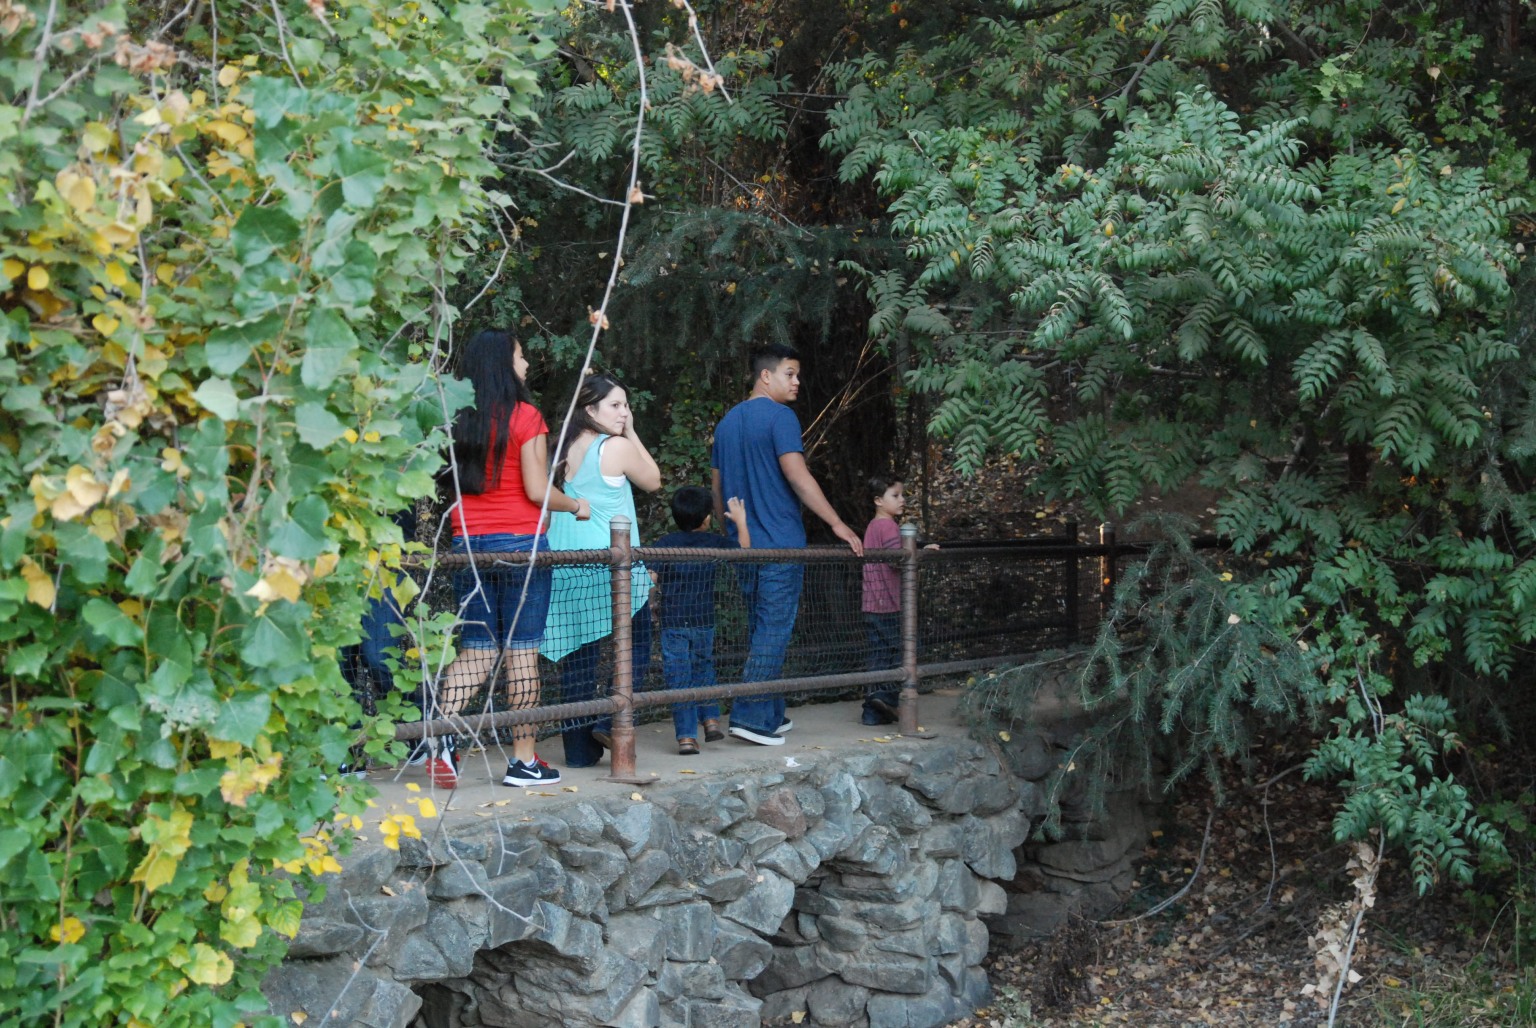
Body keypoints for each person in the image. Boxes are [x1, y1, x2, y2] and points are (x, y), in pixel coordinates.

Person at [435, 330, 590, 789]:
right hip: (521, 546)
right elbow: (538, 491)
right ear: (504, 364)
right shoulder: (526, 416)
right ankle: (523, 762)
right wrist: (576, 505)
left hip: (468, 547)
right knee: (523, 652)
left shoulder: (459, 418)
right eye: (521, 357)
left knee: (476, 652)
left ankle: (440, 740)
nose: (525, 365)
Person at [711, 342, 862, 746]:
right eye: (790, 374)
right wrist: (837, 523)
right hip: (780, 542)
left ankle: (771, 713)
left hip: (742, 544)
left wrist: (725, 532)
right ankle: (750, 717)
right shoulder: (781, 417)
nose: (797, 382)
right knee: (774, 628)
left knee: (762, 627)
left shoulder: (726, 423)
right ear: (766, 376)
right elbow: (797, 475)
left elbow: (717, 486)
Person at [541, 373, 663, 769]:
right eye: (615, 405)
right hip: (610, 567)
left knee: (578, 657)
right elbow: (653, 480)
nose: (624, 413)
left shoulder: (557, 449)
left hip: (564, 566)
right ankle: (613, 719)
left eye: (626, 405)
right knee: (638, 641)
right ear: (589, 410)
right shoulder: (615, 447)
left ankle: (579, 752)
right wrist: (634, 434)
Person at [652, 486, 751, 755]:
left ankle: (686, 737)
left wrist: (651, 600)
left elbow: (650, 576)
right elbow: (743, 553)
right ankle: (710, 720)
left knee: (678, 677)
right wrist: (741, 521)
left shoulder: (665, 544)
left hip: (673, 622)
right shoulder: (713, 542)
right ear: (707, 518)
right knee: (704, 669)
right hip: (703, 620)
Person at [860, 475, 905, 726]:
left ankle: (872, 712)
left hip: (871, 602)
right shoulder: (888, 527)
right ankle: (886, 697)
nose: (902, 500)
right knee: (899, 651)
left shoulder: (872, 526)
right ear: (878, 500)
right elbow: (895, 558)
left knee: (878, 654)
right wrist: (917, 553)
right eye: (895, 496)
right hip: (888, 602)